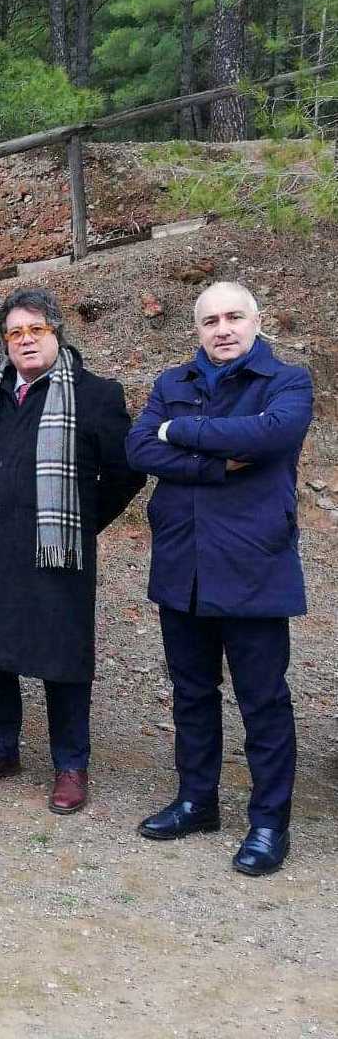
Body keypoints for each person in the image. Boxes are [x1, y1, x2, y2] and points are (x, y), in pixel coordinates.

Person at [127, 282, 313, 876]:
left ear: (257, 322)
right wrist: (216, 460)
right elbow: (138, 450)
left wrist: (178, 433)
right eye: (211, 320)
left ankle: (267, 822)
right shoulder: (172, 384)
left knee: (263, 700)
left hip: (254, 564)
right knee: (192, 693)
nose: (223, 329)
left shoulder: (286, 383)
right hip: (183, 566)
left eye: (234, 317)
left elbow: (269, 437)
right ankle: (196, 799)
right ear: (198, 329)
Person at [0, 287, 143, 814]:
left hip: (56, 550)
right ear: (5, 342)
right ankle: (0, 747)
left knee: (61, 656)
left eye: (37, 330)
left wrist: (81, 522)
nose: (26, 340)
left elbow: (126, 472)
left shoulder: (95, 393)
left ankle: (70, 763)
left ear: (56, 333)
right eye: (15, 332)